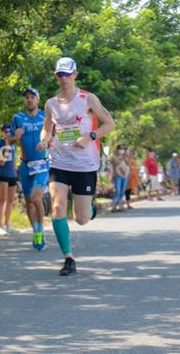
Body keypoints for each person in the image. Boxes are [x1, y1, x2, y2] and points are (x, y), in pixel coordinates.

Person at [37, 57, 115, 276]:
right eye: (59, 75)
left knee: (81, 219)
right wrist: (44, 139)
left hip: (84, 165)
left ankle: (90, 209)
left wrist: (90, 136)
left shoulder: (87, 99)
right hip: (59, 162)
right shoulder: (51, 104)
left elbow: (110, 124)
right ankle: (68, 258)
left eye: (67, 74)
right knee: (57, 208)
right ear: (56, 77)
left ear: (75, 75)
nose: (64, 79)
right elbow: (47, 129)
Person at [8, 88, 48, 250]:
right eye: (27, 98)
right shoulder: (17, 118)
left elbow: (54, 136)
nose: (30, 100)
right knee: (29, 201)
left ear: (38, 100)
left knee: (37, 198)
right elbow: (7, 141)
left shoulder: (45, 116)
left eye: (32, 97)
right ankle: (35, 230)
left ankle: (40, 231)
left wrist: (46, 142)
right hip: (25, 166)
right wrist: (15, 137)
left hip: (42, 164)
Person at [0, 124, 17, 235]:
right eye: (6, 130)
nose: (8, 132)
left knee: (10, 201)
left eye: (10, 130)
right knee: (2, 200)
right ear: (2, 132)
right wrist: (7, 145)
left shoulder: (13, 144)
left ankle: (7, 225)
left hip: (12, 175)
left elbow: (14, 157)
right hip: (3, 175)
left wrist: (16, 168)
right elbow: (2, 161)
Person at [110, 145, 129, 212]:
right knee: (117, 191)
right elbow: (116, 164)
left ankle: (120, 206)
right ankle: (114, 206)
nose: (122, 150)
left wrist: (125, 156)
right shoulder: (114, 157)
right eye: (121, 149)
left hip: (125, 176)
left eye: (123, 149)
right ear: (117, 149)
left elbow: (127, 165)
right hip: (117, 176)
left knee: (122, 191)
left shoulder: (125, 157)